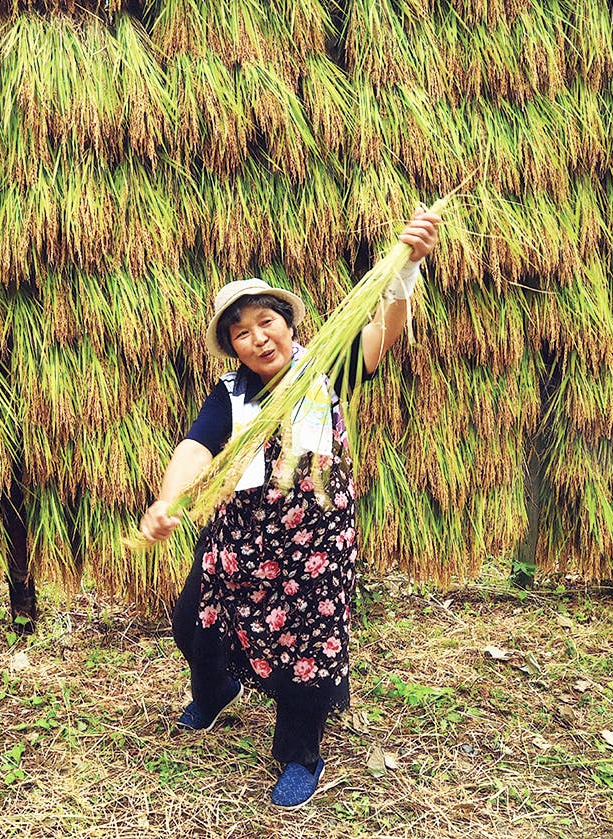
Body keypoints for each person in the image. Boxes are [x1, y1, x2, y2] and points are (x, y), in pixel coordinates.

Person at [138, 208, 441, 808]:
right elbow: (196, 446)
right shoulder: (230, 393)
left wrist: (406, 268)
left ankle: (300, 755)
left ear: (286, 324)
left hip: (314, 542)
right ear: (233, 347)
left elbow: (382, 334)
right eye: (241, 333)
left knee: (308, 655)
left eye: (266, 322)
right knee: (193, 619)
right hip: (241, 537)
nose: (258, 338)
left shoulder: (322, 369)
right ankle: (215, 690)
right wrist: (167, 500)